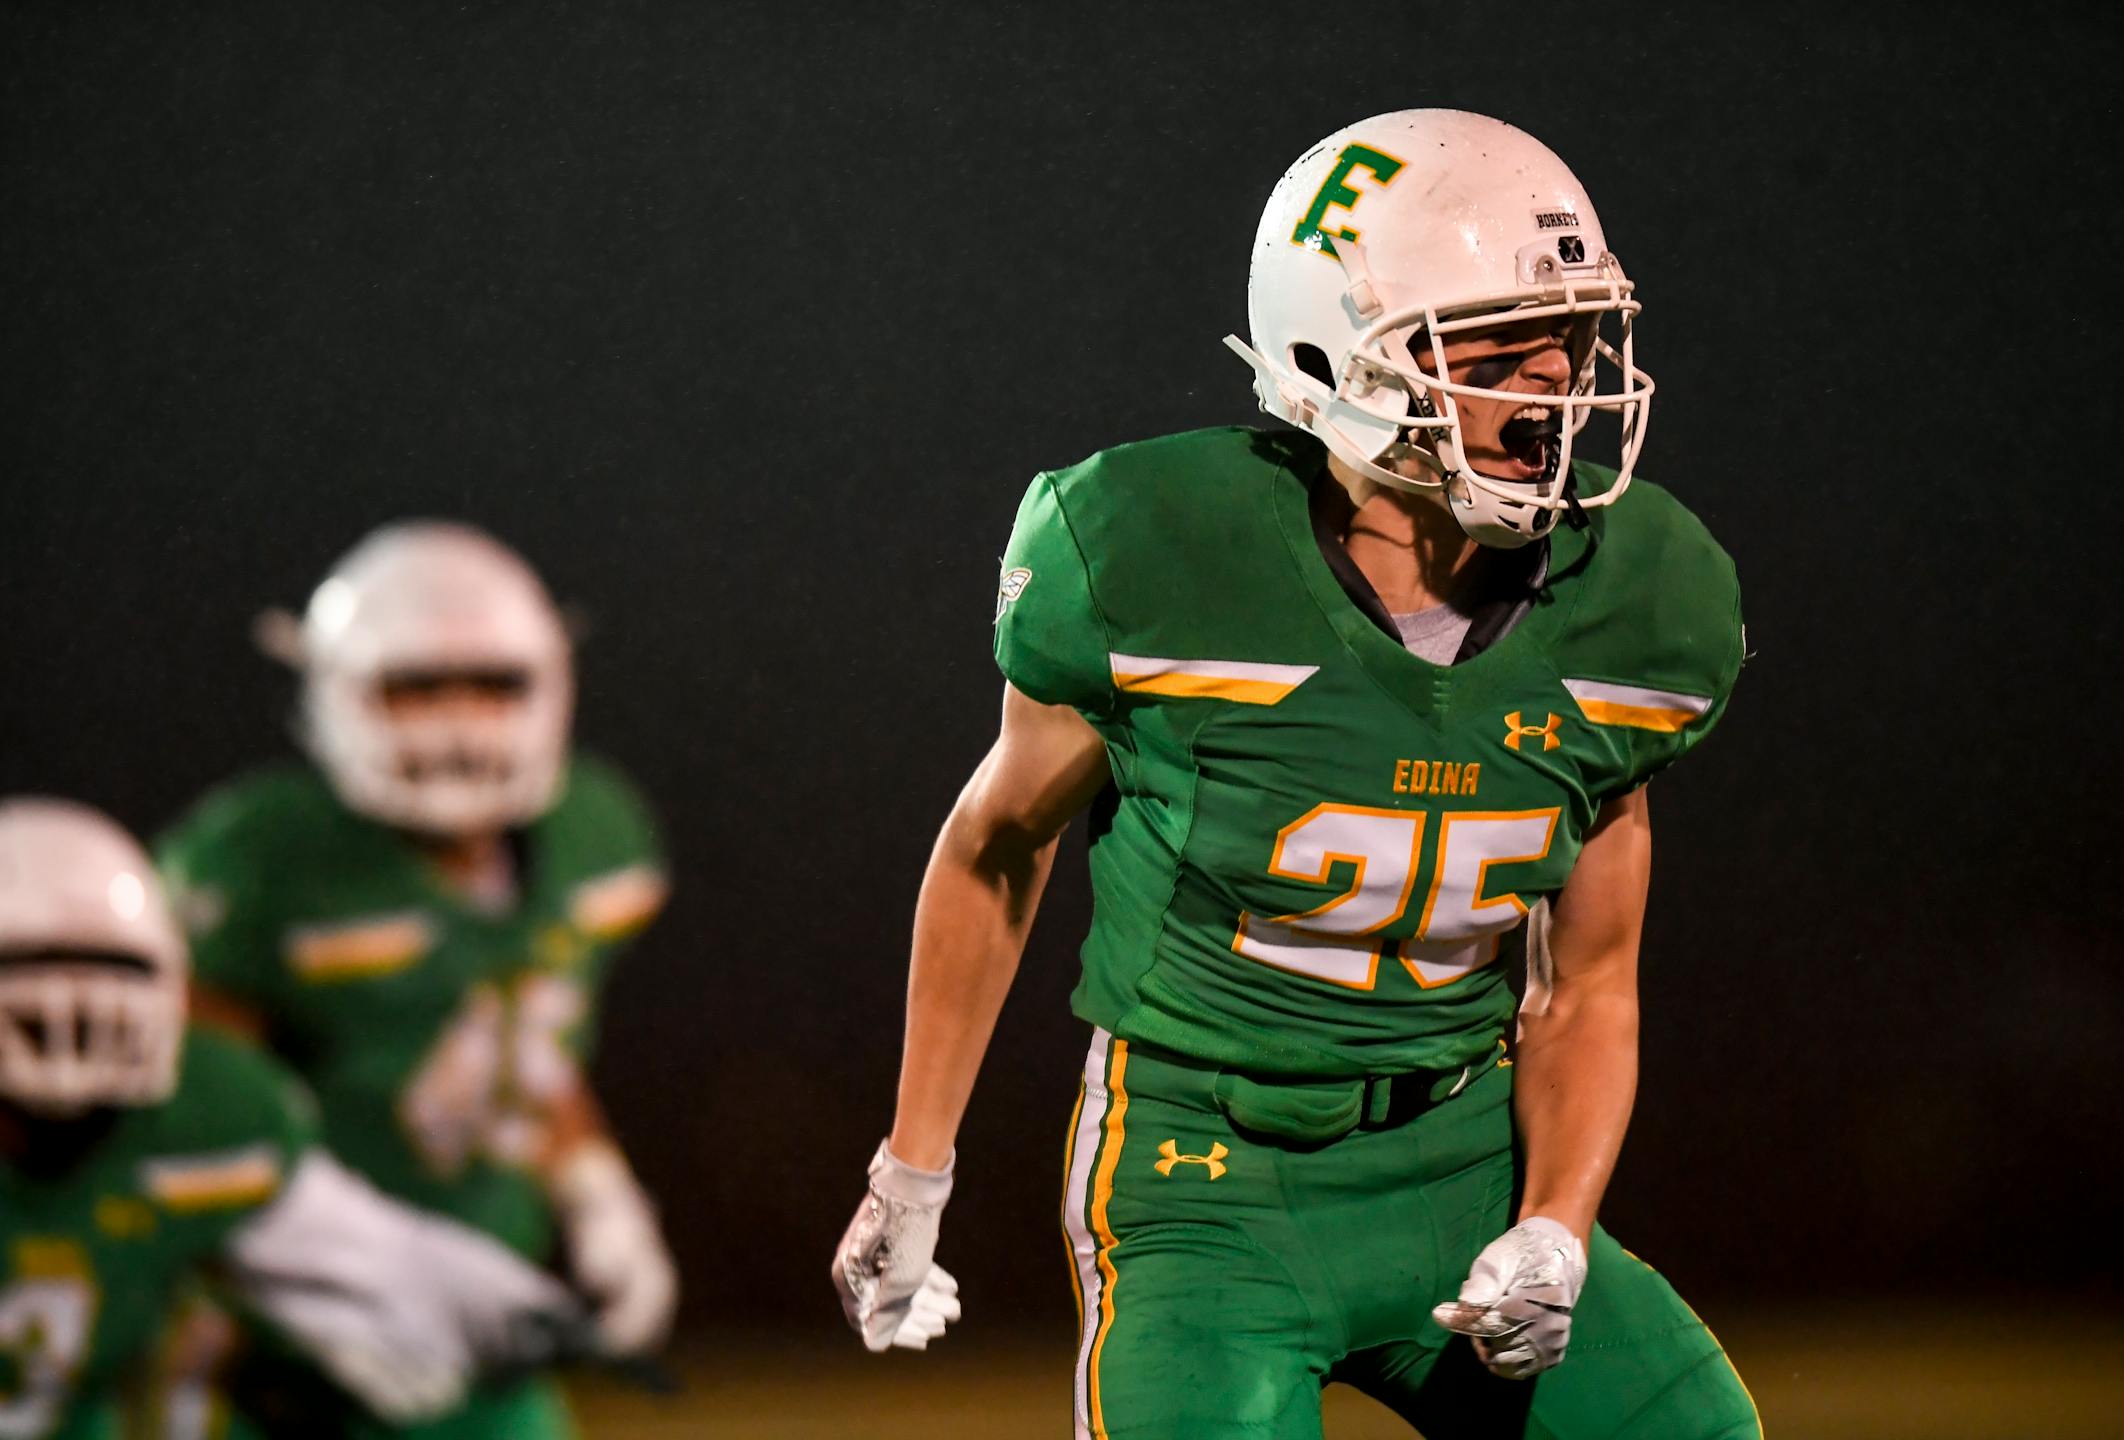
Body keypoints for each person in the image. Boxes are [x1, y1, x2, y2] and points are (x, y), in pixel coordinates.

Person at [833, 109, 1761, 1438]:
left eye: (1572, 338)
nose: (1558, 384)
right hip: (1205, 1177)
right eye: (1500, 348)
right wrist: (914, 1169)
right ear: (1339, 361)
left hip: (1465, 1157)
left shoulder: (1642, 603)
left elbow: (1589, 980)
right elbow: (997, 845)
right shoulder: (1156, 557)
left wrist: (1554, 1226)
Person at [155, 521, 676, 1438]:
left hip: (486, 1337)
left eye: (493, 683)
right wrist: (302, 1277)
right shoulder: (262, 859)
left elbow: (525, 1052)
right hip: (291, 1351)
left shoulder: (596, 838)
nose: (461, 718)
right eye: (417, 687)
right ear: (333, 693)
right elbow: (192, 1119)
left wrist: (597, 1189)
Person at [0, 796, 581, 1440]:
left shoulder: (211, 1107)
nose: (71, 1008)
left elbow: (362, 1245)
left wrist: (509, 1305)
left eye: (112, 968)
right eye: (26, 967)